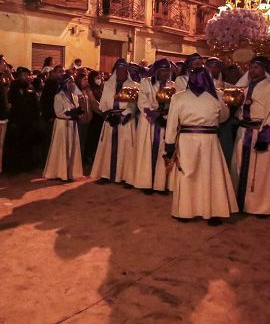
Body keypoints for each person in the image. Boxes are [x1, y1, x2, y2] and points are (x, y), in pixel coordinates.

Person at [163, 68, 237, 220]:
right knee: (211, 174)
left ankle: (185, 212)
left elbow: (171, 124)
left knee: (187, 175)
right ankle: (213, 212)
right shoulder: (217, 96)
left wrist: (169, 145)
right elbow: (223, 117)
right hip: (209, 141)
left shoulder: (179, 97)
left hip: (187, 140)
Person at [230, 57, 270, 214]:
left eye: (257, 68)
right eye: (251, 67)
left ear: (264, 69)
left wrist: (265, 136)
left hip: (260, 131)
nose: (253, 71)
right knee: (239, 165)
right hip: (244, 130)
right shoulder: (246, 87)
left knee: (260, 171)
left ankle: (259, 207)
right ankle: (239, 203)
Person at [90, 60, 137, 184]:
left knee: (125, 147)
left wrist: (122, 116)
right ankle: (106, 174)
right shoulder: (108, 84)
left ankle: (125, 176)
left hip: (125, 121)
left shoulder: (133, 85)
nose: (121, 72)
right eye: (119, 69)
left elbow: (133, 105)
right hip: (110, 120)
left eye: (123, 69)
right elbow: (104, 102)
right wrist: (107, 115)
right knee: (107, 147)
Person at [133, 59, 174, 193]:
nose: (166, 73)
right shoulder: (145, 83)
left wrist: (167, 116)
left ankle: (161, 184)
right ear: (156, 71)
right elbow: (143, 101)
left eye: (168, 70)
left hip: (166, 121)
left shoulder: (172, 85)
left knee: (164, 151)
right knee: (147, 151)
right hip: (149, 122)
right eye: (163, 70)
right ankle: (146, 183)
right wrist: (156, 115)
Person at [43, 74, 84, 181]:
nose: (72, 84)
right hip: (62, 125)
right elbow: (58, 112)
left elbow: (78, 108)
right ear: (65, 83)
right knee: (62, 148)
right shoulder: (58, 96)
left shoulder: (74, 96)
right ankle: (60, 172)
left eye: (73, 82)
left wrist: (78, 113)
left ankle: (70, 172)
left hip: (72, 125)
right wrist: (71, 113)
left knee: (71, 148)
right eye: (70, 82)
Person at [6, 68, 41, 172]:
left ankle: (28, 165)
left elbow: (35, 103)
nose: (27, 77)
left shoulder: (30, 87)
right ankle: (16, 166)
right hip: (18, 120)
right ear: (20, 75)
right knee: (17, 144)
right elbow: (14, 103)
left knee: (28, 144)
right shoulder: (15, 86)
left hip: (29, 121)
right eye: (25, 75)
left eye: (28, 75)